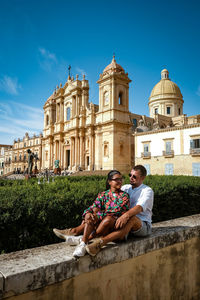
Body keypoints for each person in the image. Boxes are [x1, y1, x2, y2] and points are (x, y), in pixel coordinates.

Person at [53, 170, 130, 257]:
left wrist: (97, 214)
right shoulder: (103, 195)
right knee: (90, 217)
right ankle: (83, 243)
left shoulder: (124, 196)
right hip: (101, 224)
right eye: (116, 179)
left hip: (114, 226)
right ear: (109, 182)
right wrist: (87, 214)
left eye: (121, 179)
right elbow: (93, 206)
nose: (119, 181)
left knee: (107, 219)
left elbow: (116, 211)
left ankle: (77, 234)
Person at [85, 165, 154, 256]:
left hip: (142, 224)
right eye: (130, 175)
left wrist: (125, 215)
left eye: (134, 176)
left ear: (143, 178)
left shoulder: (147, 190)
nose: (131, 178)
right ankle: (80, 235)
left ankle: (100, 243)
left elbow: (139, 207)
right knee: (101, 217)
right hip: (125, 223)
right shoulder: (126, 187)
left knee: (132, 218)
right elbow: (111, 196)